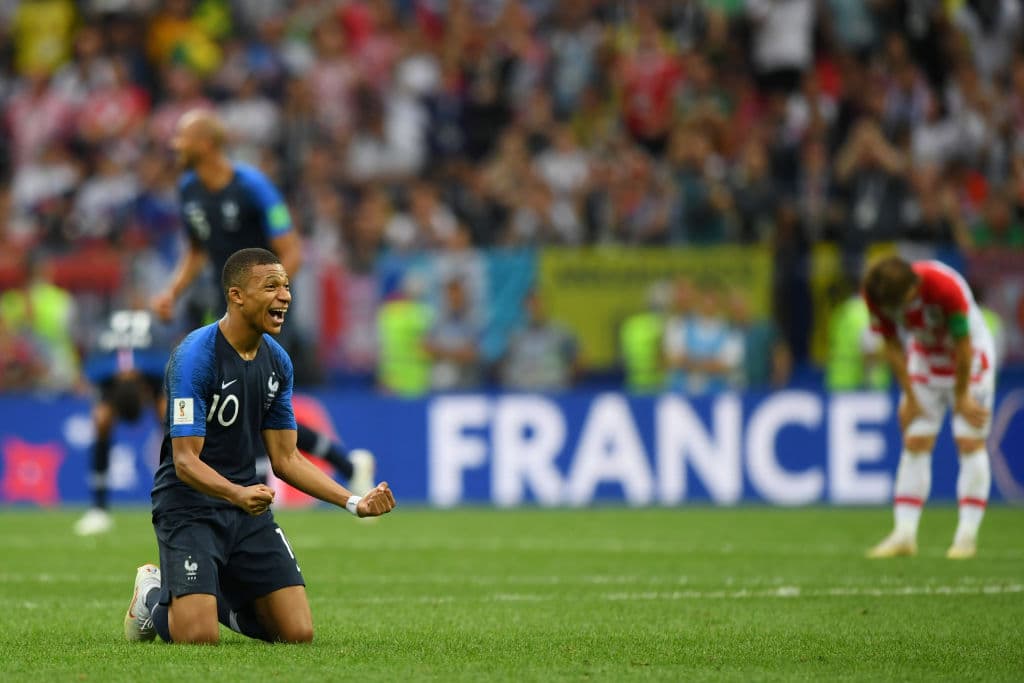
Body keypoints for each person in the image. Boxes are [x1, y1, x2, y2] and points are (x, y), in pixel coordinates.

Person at [123, 248, 396, 645]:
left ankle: (203, 590)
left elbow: (286, 458)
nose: (285, 295)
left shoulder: (278, 362)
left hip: (247, 508)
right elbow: (184, 462)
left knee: (297, 633)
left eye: (286, 286)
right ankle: (152, 593)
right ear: (237, 296)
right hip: (189, 505)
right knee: (198, 638)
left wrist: (354, 502)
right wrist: (237, 492)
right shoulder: (194, 356)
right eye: (271, 286)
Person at [150, 109, 373, 494]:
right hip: (227, 307)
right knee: (248, 405)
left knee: (253, 400)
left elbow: (293, 252)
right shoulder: (190, 190)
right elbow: (197, 251)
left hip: (265, 307)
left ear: (205, 145)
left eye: (182, 139)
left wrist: (266, 295)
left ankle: (253, 497)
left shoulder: (254, 187)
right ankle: (344, 462)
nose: (175, 146)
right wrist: (172, 290)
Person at [862, 256, 994, 560]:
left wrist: (961, 396)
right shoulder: (876, 293)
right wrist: (910, 394)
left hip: (970, 357)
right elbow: (892, 344)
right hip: (925, 354)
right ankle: (904, 535)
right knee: (915, 440)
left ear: (914, 289)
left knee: (969, 441)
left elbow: (964, 345)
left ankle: (966, 537)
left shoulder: (944, 288)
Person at [74, 307, 172, 536]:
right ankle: (98, 509)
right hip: (118, 360)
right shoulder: (104, 374)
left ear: (145, 390)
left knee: (173, 426)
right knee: (101, 422)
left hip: (145, 356)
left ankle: (183, 500)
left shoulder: (156, 370)